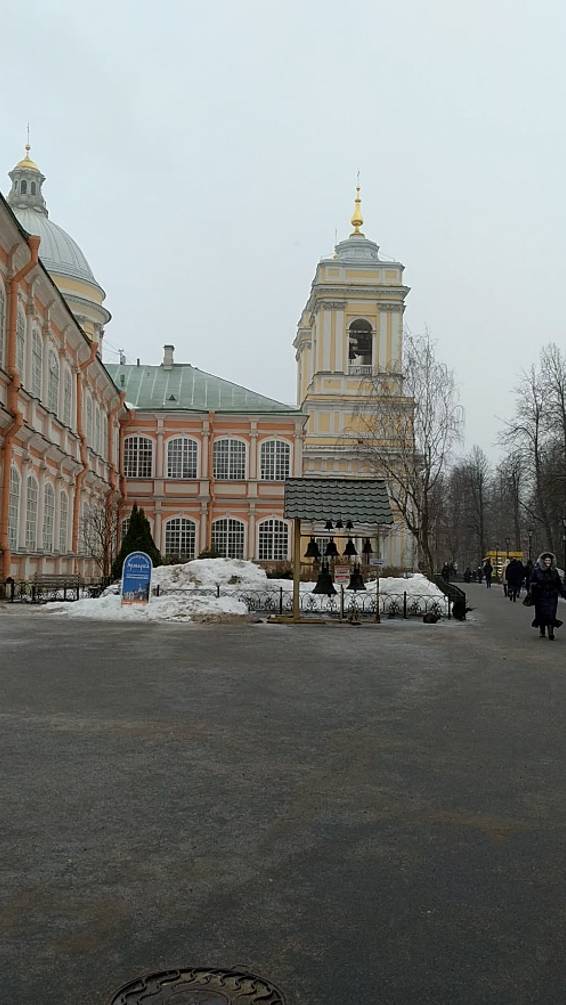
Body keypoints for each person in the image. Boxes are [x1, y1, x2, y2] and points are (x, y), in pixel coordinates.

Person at [530, 552, 566, 640]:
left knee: (551, 614)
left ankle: (550, 632)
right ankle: (542, 630)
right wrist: (535, 586)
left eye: (549, 560)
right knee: (542, 614)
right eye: (546, 560)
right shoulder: (537, 571)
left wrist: (564, 593)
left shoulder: (554, 572)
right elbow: (531, 581)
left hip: (552, 596)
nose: (548, 562)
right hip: (540, 595)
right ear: (543, 561)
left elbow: (559, 584)